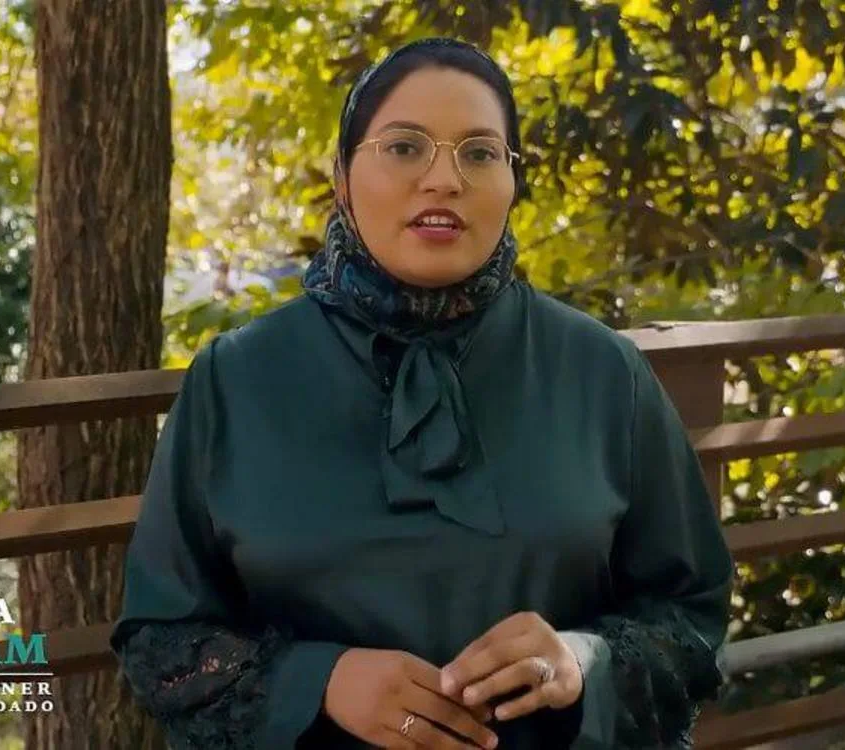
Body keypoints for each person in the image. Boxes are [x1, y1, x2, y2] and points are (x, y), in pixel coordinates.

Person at [110, 37, 733, 750]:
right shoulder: (236, 378)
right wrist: (318, 683)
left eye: (479, 152)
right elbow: (160, 636)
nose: (444, 180)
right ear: (342, 177)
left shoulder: (603, 371)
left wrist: (580, 663)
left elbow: (692, 616)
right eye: (405, 147)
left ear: (512, 181)